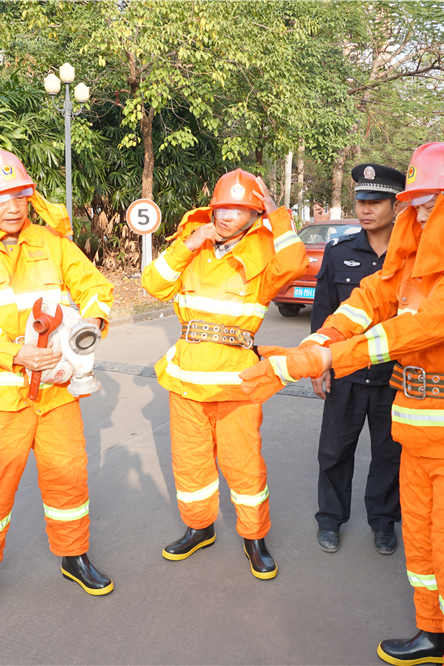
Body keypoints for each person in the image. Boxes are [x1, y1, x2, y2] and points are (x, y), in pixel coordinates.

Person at [240, 143, 444, 666]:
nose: (414, 214)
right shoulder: (417, 261)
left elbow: (411, 331)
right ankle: (434, 636)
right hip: (418, 431)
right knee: (421, 549)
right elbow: (369, 300)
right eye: (413, 205)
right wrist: (317, 343)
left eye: (427, 204)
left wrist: (317, 363)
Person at [0, 148, 115, 620]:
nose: (13, 206)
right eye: (0, 198)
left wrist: (93, 322)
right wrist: (17, 352)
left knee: (68, 476)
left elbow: (94, 284)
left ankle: (74, 556)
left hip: (56, 391)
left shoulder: (51, 241)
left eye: (19, 194)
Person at [141, 168, 308, 580]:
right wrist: (188, 245)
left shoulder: (264, 253)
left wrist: (278, 214)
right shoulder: (192, 245)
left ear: (254, 214)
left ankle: (255, 538)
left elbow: (296, 261)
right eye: (222, 207)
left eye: (238, 208)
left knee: (243, 464)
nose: (226, 215)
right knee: (191, 462)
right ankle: (199, 527)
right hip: (186, 378)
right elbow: (153, 285)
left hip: (236, 380)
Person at [310, 163, 405, 556]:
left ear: (397, 205)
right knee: (334, 451)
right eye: (361, 200)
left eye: (376, 201)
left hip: (395, 375)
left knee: (389, 453)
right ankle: (330, 519)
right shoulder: (340, 252)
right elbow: (324, 312)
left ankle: (383, 522)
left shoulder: (413, 257)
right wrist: (320, 362)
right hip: (347, 372)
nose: (366, 209)